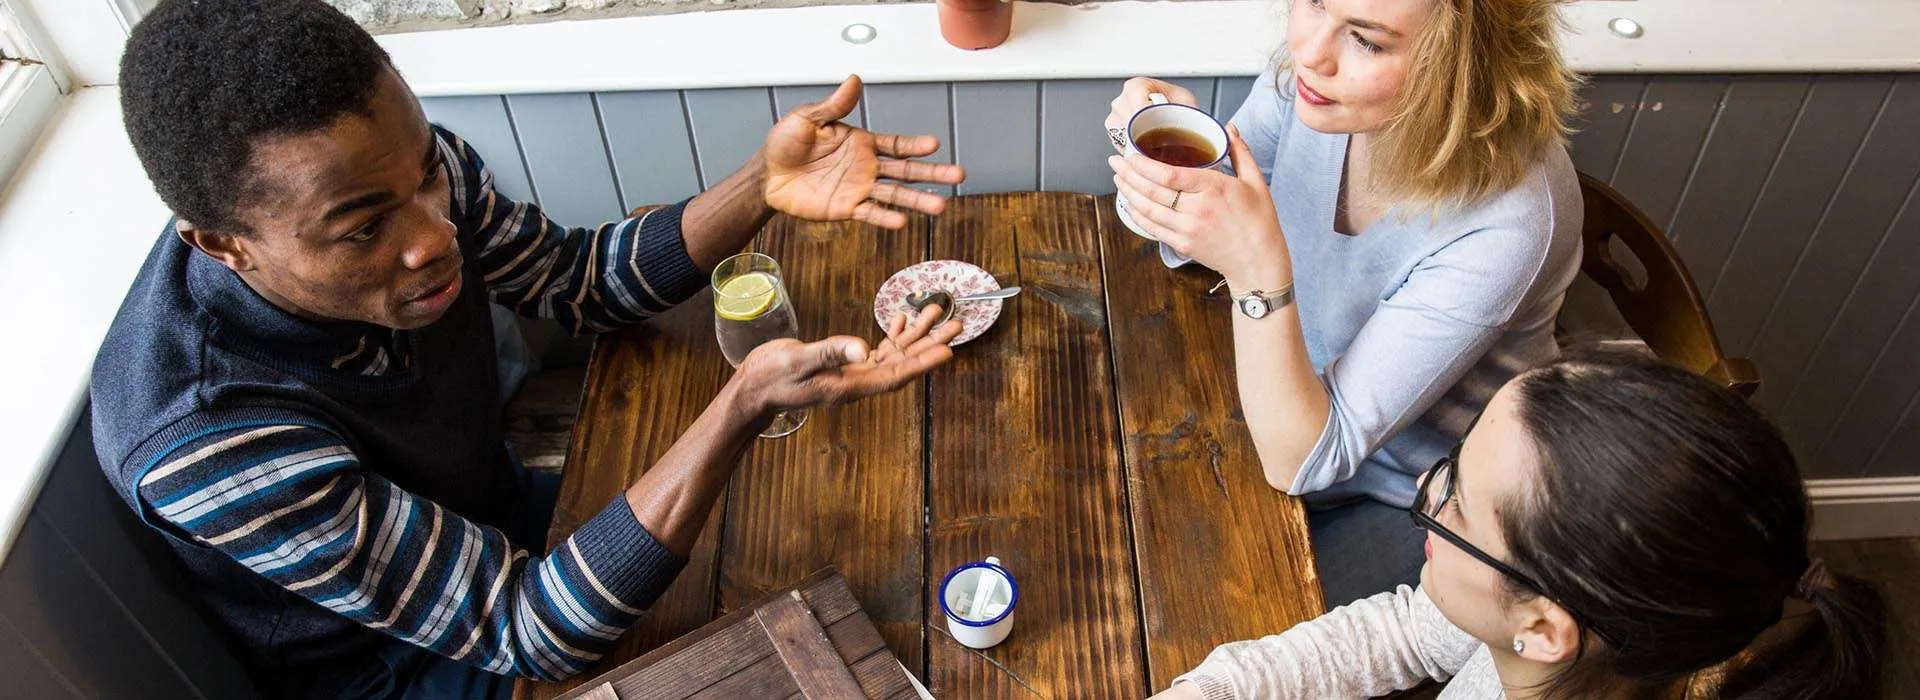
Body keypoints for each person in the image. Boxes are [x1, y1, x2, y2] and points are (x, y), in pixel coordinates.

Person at [90, 1, 965, 697]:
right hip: (413, 666)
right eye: (363, 229)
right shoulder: (203, 436)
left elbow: (576, 280)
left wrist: (761, 186)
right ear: (222, 246)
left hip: (510, 518)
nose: (433, 236)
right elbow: (529, 632)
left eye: (428, 174)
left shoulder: (403, 174)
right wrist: (742, 403)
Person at [1104, 0, 1584, 605]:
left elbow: (1301, 457)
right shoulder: (1313, 85)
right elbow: (1204, 232)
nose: (1310, 52)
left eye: (1368, 42)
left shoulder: (1509, 221)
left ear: (1466, 66)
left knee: (1207, 607)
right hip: (1282, 385)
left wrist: (1257, 274)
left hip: (1413, 496)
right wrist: (1158, 156)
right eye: (1312, 3)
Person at [1150, 349, 1887, 699]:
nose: (1423, 491)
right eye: (1453, 465)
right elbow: (1403, 632)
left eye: (1457, 502)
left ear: (1542, 628)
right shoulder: (1581, 641)